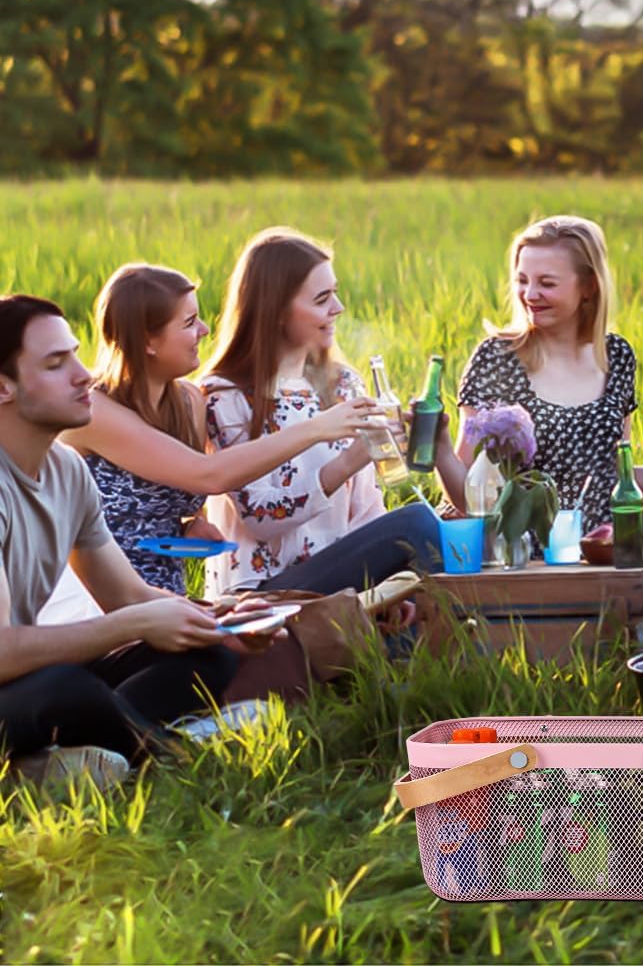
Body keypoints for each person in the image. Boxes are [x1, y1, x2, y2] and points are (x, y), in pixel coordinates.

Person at [0, 294, 266, 785]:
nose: (84, 375)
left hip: (24, 685)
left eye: (76, 355)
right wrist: (135, 622)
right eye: (56, 364)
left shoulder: (66, 469)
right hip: (19, 680)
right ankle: (178, 757)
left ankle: (57, 763)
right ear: (4, 387)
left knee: (205, 651)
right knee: (66, 687)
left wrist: (221, 622)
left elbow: (126, 596)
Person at [56, 264, 381, 599]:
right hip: (103, 596)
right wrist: (316, 429)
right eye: (188, 323)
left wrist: (190, 524)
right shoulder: (92, 410)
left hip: (168, 595)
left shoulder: (189, 402)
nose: (205, 330)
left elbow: (171, 497)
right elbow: (207, 476)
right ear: (148, 341)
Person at [438, 215, 643, 533]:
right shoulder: (497, 359)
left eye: (546, 283)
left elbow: (612, 479)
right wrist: (438, 446)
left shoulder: (616, 357)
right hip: (516, 558)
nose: (530, 294)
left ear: (588, 286)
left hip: (600, 550)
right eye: (522, 280)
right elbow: (467, 495)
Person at [201, 228, 439, 598]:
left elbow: (367, 510)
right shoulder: (226, 396)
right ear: (276, 310)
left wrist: (386, 584)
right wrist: (349, 459)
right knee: (419, 523)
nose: (338, 308)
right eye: (322, 298)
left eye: (336, 292)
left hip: (339, 582)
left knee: (415, 588)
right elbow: (260, 518)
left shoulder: (342, 385)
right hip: (262, 593)